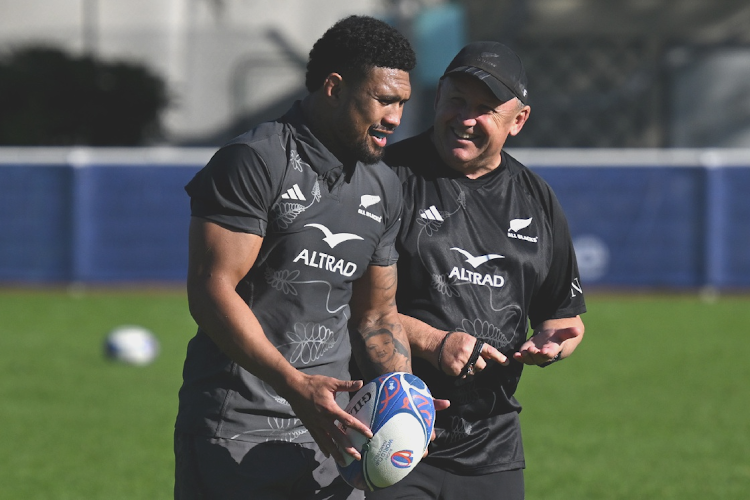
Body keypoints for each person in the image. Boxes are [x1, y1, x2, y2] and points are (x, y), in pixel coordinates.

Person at [174, 16, 417, 500]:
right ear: (333, 87)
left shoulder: (384, 184)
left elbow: (376, 315)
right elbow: (210, 288)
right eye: (383, 100)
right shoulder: (254, 160)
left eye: (402, 104)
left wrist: (406, 402)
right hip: (236, 430)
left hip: (333, 435)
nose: (395, 118)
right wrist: (294, 384)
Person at [368, 41, 587, 499]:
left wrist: (555, 341)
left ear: (518, 120)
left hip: (493, 447)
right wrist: (433, 343)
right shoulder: (384, 177)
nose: (466, 119)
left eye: (485, 108)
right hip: (390, 432)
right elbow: (348, 299)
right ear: (437, 99)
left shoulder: (538, 199)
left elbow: (564, 318)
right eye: (457, 101)